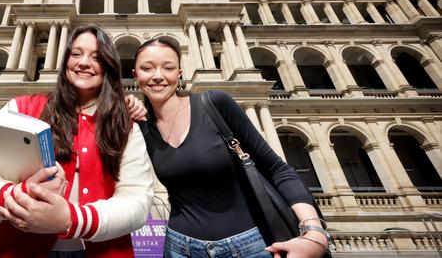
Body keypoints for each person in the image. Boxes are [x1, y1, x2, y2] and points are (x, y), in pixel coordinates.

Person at [0, 24, 154, 258]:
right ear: (65, 60)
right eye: (76, 54)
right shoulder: (22, 109)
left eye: (96, 57)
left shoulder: (125, 126)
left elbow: (138, 201)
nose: (84, 62)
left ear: (108, 66)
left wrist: (71, 219)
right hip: (16, 248)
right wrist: (14, 197)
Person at [132, 38, 330, 258]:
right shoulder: (140, 126)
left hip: (251, 247)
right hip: (179, 247)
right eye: (147, 68)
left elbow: (277, 169)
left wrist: (314, 231)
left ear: (178, 73)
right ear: (135, 75)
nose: (158, 75)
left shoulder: (215, 104)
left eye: (167, 68)